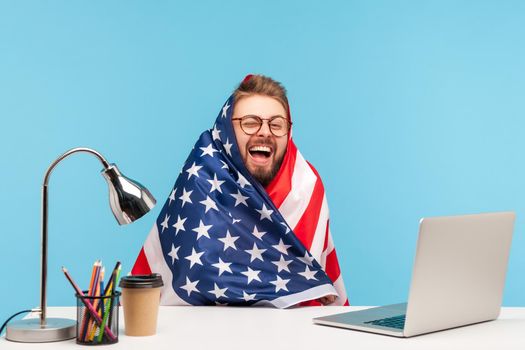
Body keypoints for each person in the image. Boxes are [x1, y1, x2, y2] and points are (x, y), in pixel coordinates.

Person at [132, 74, 348, 307]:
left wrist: (302, 284)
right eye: (250, 122)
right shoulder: (201, 181)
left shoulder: (303, 186)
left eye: (276, 125)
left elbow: (302, 286)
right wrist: (298, 283)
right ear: (227, 130)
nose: (265, 132)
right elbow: (198, 277)